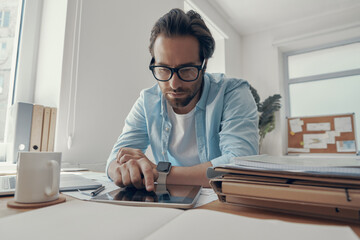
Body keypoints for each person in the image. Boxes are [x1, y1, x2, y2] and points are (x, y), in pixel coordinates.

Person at [106, 8, 258, 192]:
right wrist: (123, 170)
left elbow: (240, 163)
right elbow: (115, 159)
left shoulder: (232, 93)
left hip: (221, 203)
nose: (173, 83)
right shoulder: (147, 101)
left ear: (204, 64)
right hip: (170, 202)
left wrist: (160, 174)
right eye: (163, 68)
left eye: (186, 70)